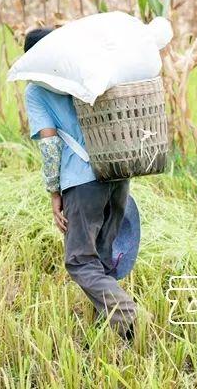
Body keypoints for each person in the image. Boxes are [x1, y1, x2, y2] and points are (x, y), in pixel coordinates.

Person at [22, 27, 137, 338]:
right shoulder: (86, 73)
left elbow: (49, 145)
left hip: (82, 179)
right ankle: (119, 332)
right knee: (103, 254)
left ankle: (124, 311)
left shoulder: (36, 90)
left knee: (79, 261)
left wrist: (54, 192)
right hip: (116, 169)